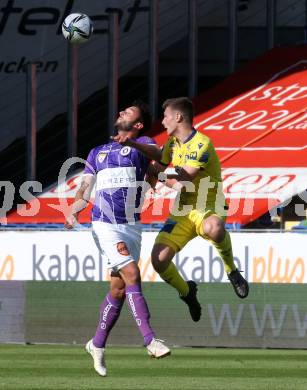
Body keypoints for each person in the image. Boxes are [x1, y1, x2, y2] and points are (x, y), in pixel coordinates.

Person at [115, 97, 249, 323]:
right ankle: (187, 292)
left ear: (178, 117)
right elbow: (159, 159)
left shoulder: (202, 143)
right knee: (158, 260)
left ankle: (231, 270)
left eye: (166, 116)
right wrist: (132, 145)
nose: (163, 122)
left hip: (209, 203)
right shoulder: (172, 143)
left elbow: (185, 177)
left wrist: (157, 173)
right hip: (183, 208)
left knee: (214, 228)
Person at [65, 100, 170, 377]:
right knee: (132, 273)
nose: (122, 112)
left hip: (132, 226)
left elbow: (161, 157)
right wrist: (74, 211)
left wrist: (136, 148)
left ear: (137, 125)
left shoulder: (143, 144)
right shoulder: (97, 152)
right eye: (122, 110)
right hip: (104, 224)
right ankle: (150, 340)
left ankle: (96, 344)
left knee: (119, 289)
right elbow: (85, 191)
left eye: (129, 112)